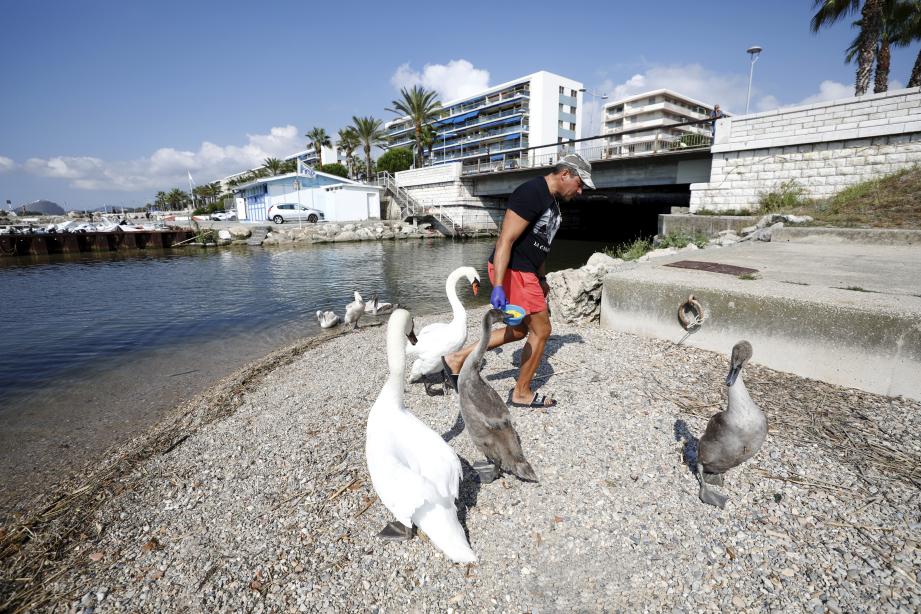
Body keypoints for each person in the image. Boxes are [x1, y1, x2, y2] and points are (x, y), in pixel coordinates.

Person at [442, 153, 594, 408]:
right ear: (565, 173)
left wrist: (542, 276)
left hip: (528, 272)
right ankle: (521, 393)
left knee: (521, 330)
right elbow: (505, 240)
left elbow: (540, 245)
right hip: (514, 271)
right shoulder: (532, 192)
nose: (580, 191)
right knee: (542, 330)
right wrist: (499, 285)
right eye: (580, 184)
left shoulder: (553, 201)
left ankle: (457, 359)